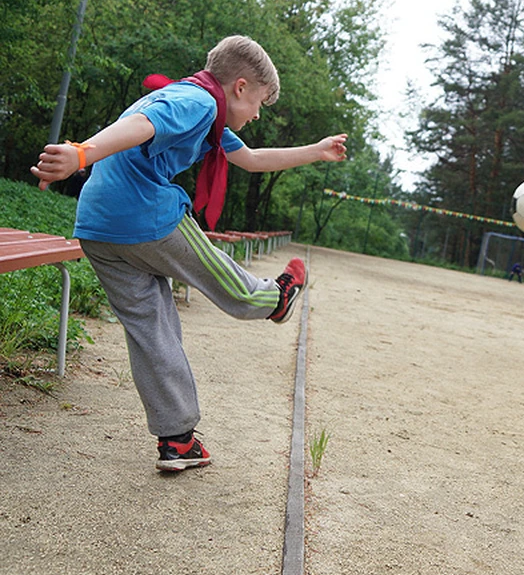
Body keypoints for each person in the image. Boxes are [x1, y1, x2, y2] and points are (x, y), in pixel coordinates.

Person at [30, 35, 348, 472]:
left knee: (152, 329)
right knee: (216, 273)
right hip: (145, 216)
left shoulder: (203, 112)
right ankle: (275, 299)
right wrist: (83, 152)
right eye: (258, 103)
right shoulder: (195, 101)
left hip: (98, 227)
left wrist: (316, 151)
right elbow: (144, 125)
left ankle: (177, 440)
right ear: (239, 86)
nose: (256, 114)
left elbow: (253, 159)